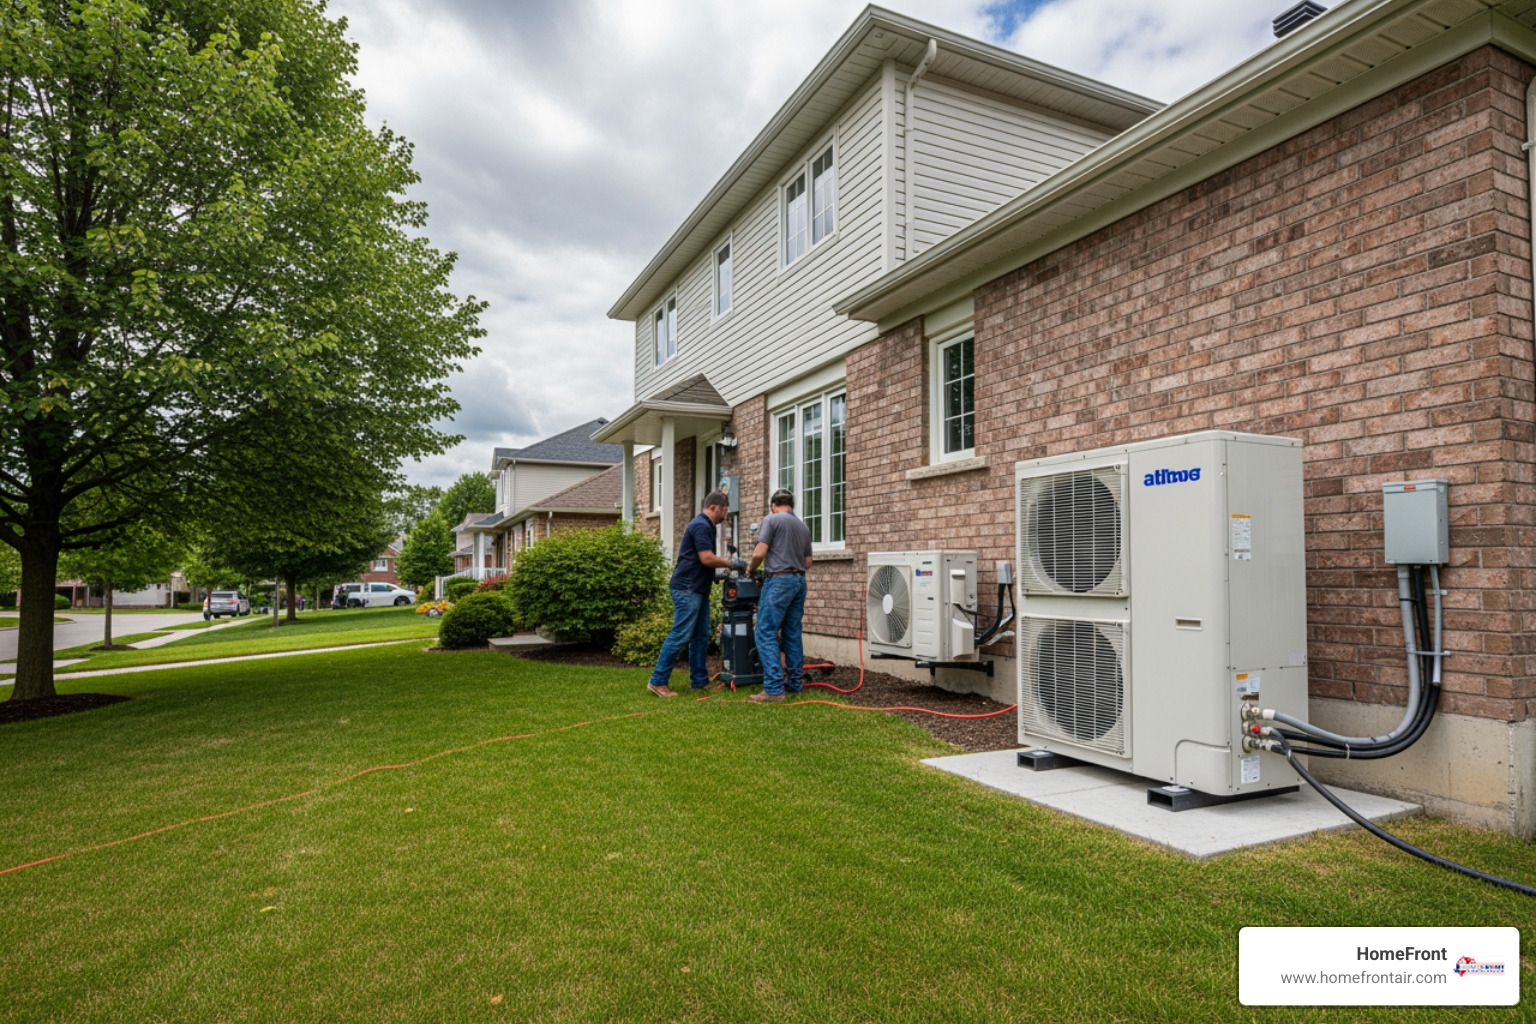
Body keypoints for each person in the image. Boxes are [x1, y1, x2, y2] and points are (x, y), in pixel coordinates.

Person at [647, 490, 732, 697]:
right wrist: (731, 563)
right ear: (713, 507)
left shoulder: (706, 526)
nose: (726, 515)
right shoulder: (701, 525)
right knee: (681, 634)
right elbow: (706, 558)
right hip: (687, 588)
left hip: (697, 588)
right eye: (724, 510)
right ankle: (658, 681)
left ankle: (699, 681)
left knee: (701, 635)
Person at [746, 488, 813, 703]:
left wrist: (750, 569)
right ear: (791, 505)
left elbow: (759, 552)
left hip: (779, 580)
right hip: (799, 581)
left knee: (765, 632)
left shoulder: (772, 519)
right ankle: (795, 682)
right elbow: (808, 563)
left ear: (774, 505)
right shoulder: (803, 527)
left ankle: (774, 689)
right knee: (792, 632)